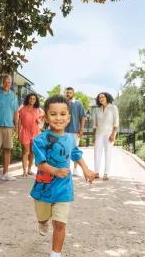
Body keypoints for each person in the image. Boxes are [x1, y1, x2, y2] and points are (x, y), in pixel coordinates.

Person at [30, 95, 95, 257]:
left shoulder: (70, 139)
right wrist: (56, 171)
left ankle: (55, 254)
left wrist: (86, 170)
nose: (58, 118)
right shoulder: (39, 140)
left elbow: (76, 154)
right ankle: (42, 222)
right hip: (44, 188)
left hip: (63, 188)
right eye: (53, 114)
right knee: (43, 218)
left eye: (62, 114)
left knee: (60, 224)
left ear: (69, 117)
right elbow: (40, 163)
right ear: (46, 116)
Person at [93, 92, 119, 181]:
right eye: (99, 98)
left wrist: (113, 134)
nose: (101, 99)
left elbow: (116, 122)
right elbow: (94, 124)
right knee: (97, 153)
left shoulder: (113, 108)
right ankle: (96, 172)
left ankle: (106, 173)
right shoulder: (96, 110)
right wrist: (94, 136)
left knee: (108, 153)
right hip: (99, 133)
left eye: (103, 97)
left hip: (109, 133)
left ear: (107, 97)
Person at [18, 93, 44, 177]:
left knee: (32, 152)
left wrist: (39, 120)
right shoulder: (22, 109)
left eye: (34, 99)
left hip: (35, 132)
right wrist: (18, 133)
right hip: (25, 132)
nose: (32, 100)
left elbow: (44, 115)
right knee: (26, 152)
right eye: (30, 98)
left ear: (35, 100)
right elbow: (19, 122)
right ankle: (24, 171)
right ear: (28, 99)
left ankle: (29, 169)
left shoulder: (38, 110)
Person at [64, 87, 86, 177]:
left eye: (70, 92)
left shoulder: (78, 104)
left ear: (73, 93)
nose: (68, 94)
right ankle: (66, 169)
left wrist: (81, 129)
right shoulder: (63, 103)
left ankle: (75, 169)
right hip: (64, 131)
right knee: (65, 150)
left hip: (75, 131)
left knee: (75, 150)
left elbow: (82, 117)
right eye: (67, 92)